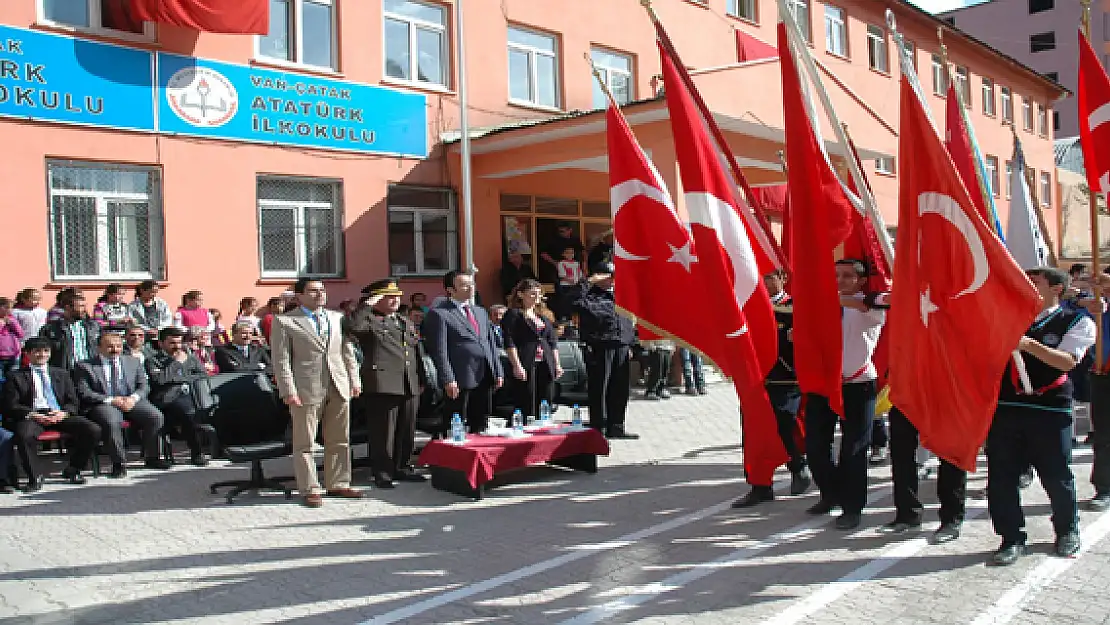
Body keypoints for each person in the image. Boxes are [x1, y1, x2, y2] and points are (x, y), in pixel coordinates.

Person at [987, 267, 1096, 565]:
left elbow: (1066, 362)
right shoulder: (1008, 318)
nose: (1025, 286)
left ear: (1056, 289)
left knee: (1056, 475)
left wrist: (1027, 344)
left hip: (1049, 409)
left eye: (1034, 282)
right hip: (1007, 407)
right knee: (1002, 477)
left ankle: (1067, 530)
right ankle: (1011, 538)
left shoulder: (1076, 321)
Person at [805, 259, 885, 530]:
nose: (840, 280)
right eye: (836, 275)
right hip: (824, 384)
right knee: (815, 445)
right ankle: (830, 494)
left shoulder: (869, 306)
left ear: (861, 281)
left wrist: (833, 299)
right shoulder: (824, 304)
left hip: (857, 384)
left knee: (853, 448)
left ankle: (852, 507)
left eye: (847, 276)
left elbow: (876, 304)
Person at [271, 278, 362, 508]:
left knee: (339, 438)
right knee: (306, 442)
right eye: (313, 291)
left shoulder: (336, 317)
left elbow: (347, 350)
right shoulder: (285, 322)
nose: (319, 294)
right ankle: (310, 487)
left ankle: (339, 482)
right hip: (305, 388)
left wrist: (354, 379)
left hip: (337, 383)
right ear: (299, 296)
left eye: (322, 290)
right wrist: (288, 390)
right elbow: (281, 360)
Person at [733, 269, 811, 508]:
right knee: (754, 431)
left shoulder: (794, 307)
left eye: (769, 277)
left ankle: (798, 465)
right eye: (761, 277)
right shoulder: (748, 306)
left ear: (782, 279)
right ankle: (760, 485)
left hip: (784, 377)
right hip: (755, 378)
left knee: (785, 424)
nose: (765, 283)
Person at [349, 280, 428, 488]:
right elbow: (353, 328)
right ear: (376, 299)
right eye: (388, 296)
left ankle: (402, 466)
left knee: (407, 428)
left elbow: (415, 352)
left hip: (408, 382)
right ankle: (382, 472)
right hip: (383, 383)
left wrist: (421, 377)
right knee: (383, 431)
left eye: (397, 296)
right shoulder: (368, 321)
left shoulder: (404, 321)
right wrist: (366, 305)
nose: (395, 300)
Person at [3, 336, 101, 491]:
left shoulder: (61, 373)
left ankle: (74, 469)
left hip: (58, 413)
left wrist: (63, 413)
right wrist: (33, 414)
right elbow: (11, 405)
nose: (42, 355)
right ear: (27, 354)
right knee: (24, 435)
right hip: (33, 415)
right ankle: (34, 476)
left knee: (92, 429)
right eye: (37, 352)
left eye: (45, 351)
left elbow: (73, 401)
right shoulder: (15, 376)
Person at [74, 331, 170, 477]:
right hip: (104, 402)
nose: (115, 350)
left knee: (155, 416)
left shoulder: (133, 361)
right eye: (110, 347)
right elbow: (84, 392)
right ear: (99, 348)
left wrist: (133, 398)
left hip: (130, 400)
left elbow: (144, 385)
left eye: (118, 346)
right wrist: (111, 400)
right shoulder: (84, 366)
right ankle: (119, 464)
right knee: (112, 422)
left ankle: (153, 457)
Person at [424, 270, 504, 435]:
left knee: (481, 420)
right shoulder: (440, 314)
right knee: (455, 421)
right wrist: (448, 378)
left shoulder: (480, 312)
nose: (470, 288)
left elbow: (490, 343)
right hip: (460, 375)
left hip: (484, 372)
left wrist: (498, 370)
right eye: (464, 285)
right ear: (451, 290)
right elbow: (440, 350)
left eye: (471, 284)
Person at [571, 261, 638, 439]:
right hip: (600, 346)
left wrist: (630, 344)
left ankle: (616, 426)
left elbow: (629, 320)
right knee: (600, 387)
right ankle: (598, 427)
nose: (611, 281)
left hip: (621, 345)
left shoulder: (620, 295)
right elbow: (572, 303)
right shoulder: (589, 295)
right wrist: (588, 281)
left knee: (620, 388)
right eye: (608, 277)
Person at [881, 405, 967, 542]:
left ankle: (952, 519)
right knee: (900, 452)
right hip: (907, 392)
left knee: (950, 454)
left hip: (943, 395)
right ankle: (907, 515)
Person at [146, 327, 211, 466]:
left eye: (179, 343)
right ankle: (197, 452)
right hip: (167, 399)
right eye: (172, 343)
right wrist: (177, 364)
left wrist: (179, 378)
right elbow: (160, 380)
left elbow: (202, 375)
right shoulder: (153, 360)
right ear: (161, 343)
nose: (177, 347)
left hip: (191, 395)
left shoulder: (190, 357)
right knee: (188, 413)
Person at [502, 279, 563, 421]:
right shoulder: (514, 314)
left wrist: (557, 364)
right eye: (532, 294)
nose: (536, 298)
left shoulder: (543, 315)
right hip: (526, 360)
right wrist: (517, 365)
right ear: (521, 294)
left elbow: (552, 342)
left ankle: (543, 425)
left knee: (545, 397)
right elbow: (509, 342)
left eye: (538, 294)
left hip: (545, 361)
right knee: (526, 398)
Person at [39, 290, 99, 371]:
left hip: (89, 370)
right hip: (65, 371)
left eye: (84, 306)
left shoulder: (93, 326)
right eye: (80, 306)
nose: (84, 310)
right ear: (68, 307)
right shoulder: (52, 329)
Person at [0, 297, 24, 379]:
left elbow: (20, 334)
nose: (9, 310)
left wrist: (13, 323)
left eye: (11, 308)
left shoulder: (12, 319)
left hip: (13, 354)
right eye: (6, 307)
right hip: (1, 355)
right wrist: (1, 324)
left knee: (13, 378)